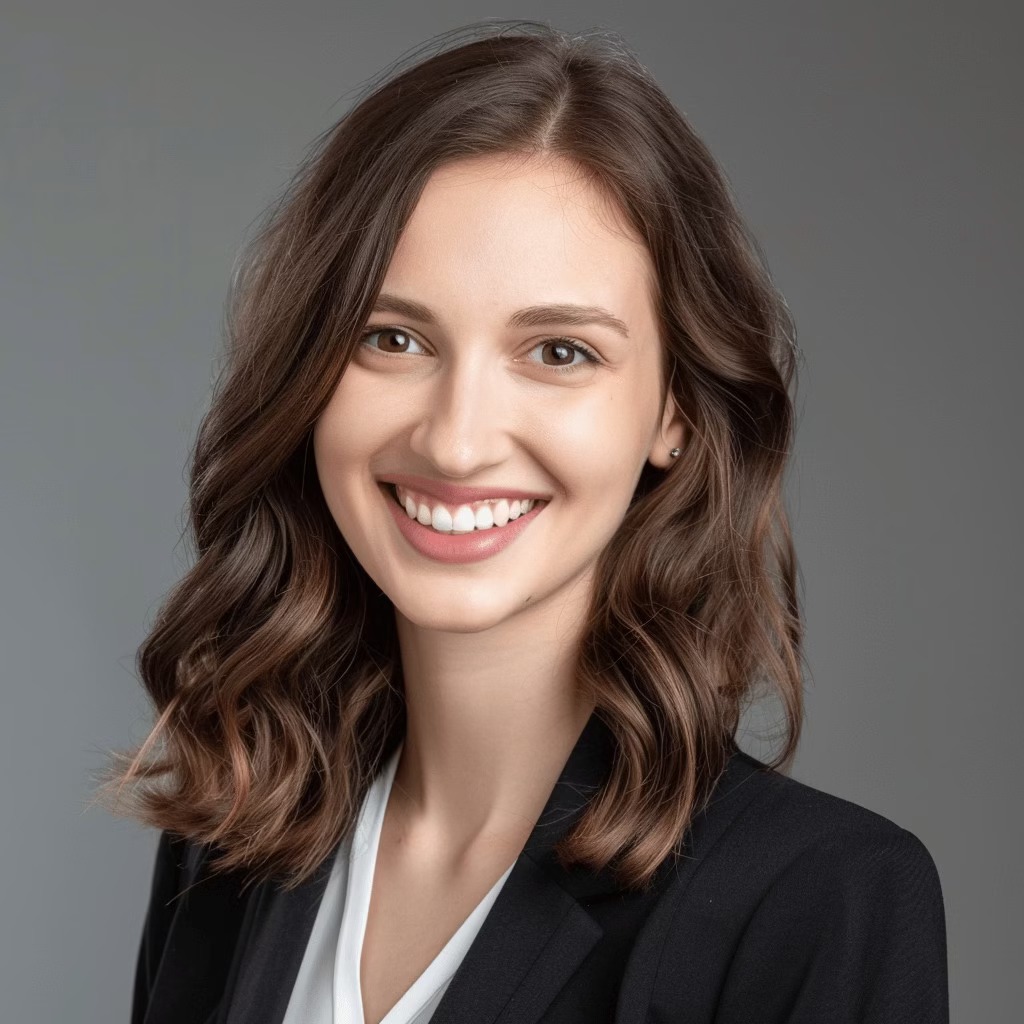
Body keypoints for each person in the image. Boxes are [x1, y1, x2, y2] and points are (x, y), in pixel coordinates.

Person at [105, 19, 948, 1024]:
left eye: (557, 353)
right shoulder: (232, 845)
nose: (456, 441)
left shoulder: (816, 900)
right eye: (394, 337)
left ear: (674, 409)